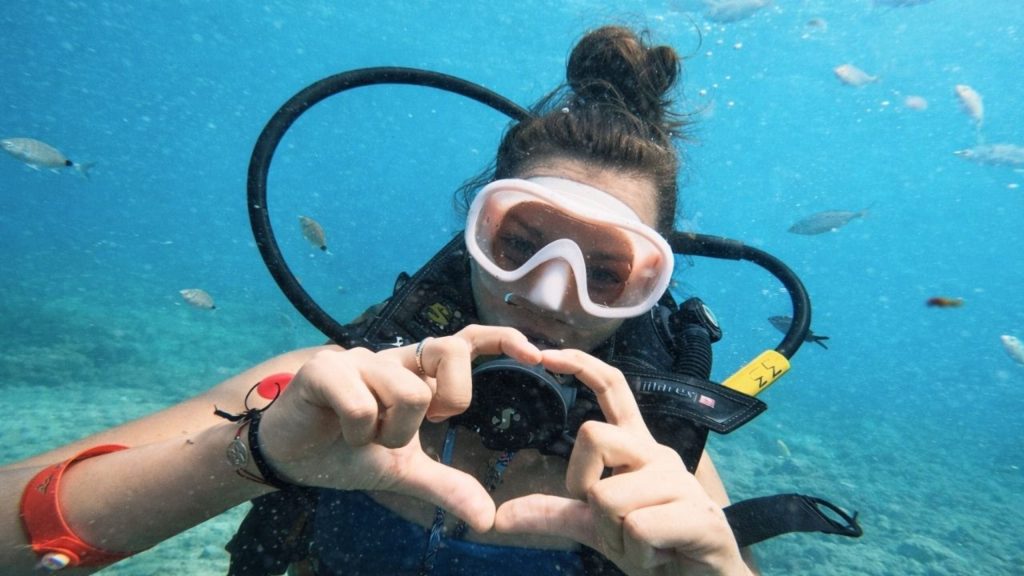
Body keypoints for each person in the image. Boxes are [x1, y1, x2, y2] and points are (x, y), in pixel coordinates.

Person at [1, 26, 759, 575]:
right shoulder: (320, 397)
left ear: (650, 291)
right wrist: (250, 455)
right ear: (472, 236)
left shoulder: (665, 470)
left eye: (606, 271)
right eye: (520, 245)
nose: (549, 293)